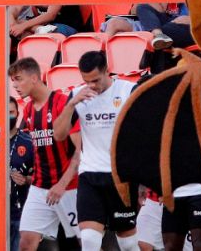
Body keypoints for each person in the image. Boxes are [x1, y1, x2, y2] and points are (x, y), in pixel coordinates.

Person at [54, 51, 139, 251]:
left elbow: (144, 132)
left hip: (121, 177)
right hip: (89, 175)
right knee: (90, 241)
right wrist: (71, 105)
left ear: (106, 71)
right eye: (87, 81)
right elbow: (59, 135)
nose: (91, 85)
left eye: (95, 80)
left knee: (127, 243)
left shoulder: (128, 91)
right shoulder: (77, 95)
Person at [10, 56, 78, 250]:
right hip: (40, 188)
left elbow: (80, 152)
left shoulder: (62, 103)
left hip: (69, 187)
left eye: (18, 79)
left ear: (34, 78)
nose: (15, 85)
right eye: (13, 81)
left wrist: (62, 184)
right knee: (26, 242)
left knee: (85, 243)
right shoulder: (29, 109)